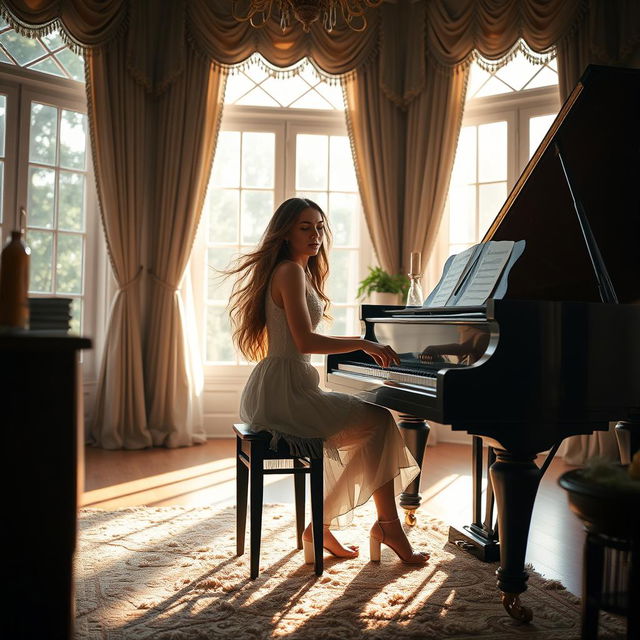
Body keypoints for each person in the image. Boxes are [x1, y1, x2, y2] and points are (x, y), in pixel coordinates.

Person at [226, 197, 428, 565]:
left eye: (319, 227)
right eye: (305, 227)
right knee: (379, 422)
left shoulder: (295, 271)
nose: (315, 234)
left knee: (375, 429)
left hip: (285, 386)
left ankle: (335, 526)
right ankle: (374, 526)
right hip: (285, 392)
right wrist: (363, 343)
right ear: (285, 233)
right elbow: (304, 342)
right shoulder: (289, 271)